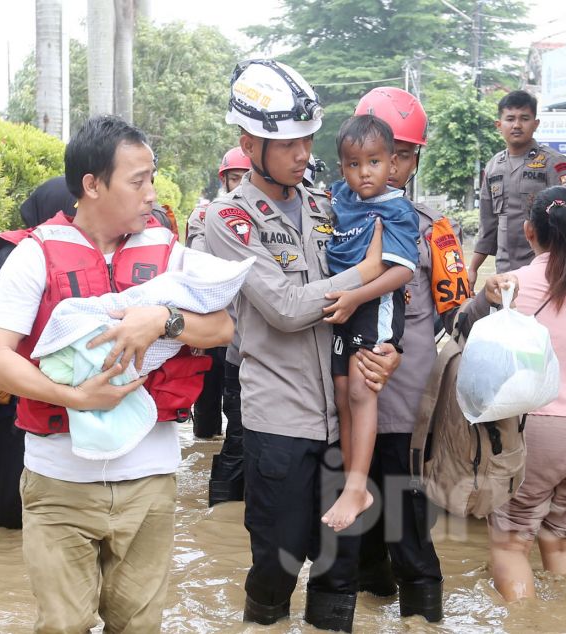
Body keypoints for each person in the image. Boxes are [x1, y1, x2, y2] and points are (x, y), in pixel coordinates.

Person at [0, 115, 234, 631]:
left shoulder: (168, 255)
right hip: (58, 483)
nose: (151, 194)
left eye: (151, 178)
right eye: (137, 181)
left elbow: (222, 327)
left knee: (139, 625)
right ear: (92, 185)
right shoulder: (34, 255)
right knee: (62, 625)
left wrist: (164, 318)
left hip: (150, 482)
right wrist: (75, 397)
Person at [202, 59, 399, 631]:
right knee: (277, 563)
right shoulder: (230, 218)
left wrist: (388, 348)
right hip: (279, 421)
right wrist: (363, 273)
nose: (303, 153)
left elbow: (383, 283)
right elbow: (286, 309)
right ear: (249, 143)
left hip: (342, 416)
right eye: (288, 143)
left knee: (340, 568)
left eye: (308, 140)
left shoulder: (323, 203)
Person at [466, 185, 566, 601]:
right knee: (563, 541)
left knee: (511, 544)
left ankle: (528, 624)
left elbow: (467, 337)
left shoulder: (509, 286)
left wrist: (483, 296)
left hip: (536, 432)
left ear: (528, 230)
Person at [351, 86, 469, 622]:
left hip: (403, 401)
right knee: (357, 512)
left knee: (404, 506)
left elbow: (459, 316)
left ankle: (424, 611)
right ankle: (375, 596)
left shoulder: (433, 230)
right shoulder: (332, 218)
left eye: (402, 155)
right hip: (347, 394)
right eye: (382, 153)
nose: (391, 166)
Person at [322, 114, 419, 531]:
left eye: (375, 162)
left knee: (362, 391)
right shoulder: (339, 198)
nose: (364, 173)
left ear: (392, 164)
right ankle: (351, 482)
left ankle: (358, 486)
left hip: (372, 304)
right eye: (354, 163)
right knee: (342, 393)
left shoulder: (396, 208)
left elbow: (402, 272)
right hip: (345, 303)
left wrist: (354, 298)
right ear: (342, 166)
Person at [0, 177, 78, 530]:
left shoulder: (70, 253)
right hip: (11, 399)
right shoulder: (17, 253)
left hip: (44, 396)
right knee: (14, 512)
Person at [469, 90, 566, 284]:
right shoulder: (493, 166)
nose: (516, 125)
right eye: (510, 119)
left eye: (524, 118)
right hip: (505, 272)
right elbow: (488, 224)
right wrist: (473, 268)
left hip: (545, 272)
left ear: (535, 124)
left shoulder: (553, 162)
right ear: (499, 125)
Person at [187, 147, 253, 442]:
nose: (239, 186)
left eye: (245, 178)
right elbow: (197, 262)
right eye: (234, 178)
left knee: (240, 411)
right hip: (213, 317)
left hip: (245, 326)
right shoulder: (205, 215)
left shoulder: (264, 217)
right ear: (224, 181)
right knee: (206, 407)